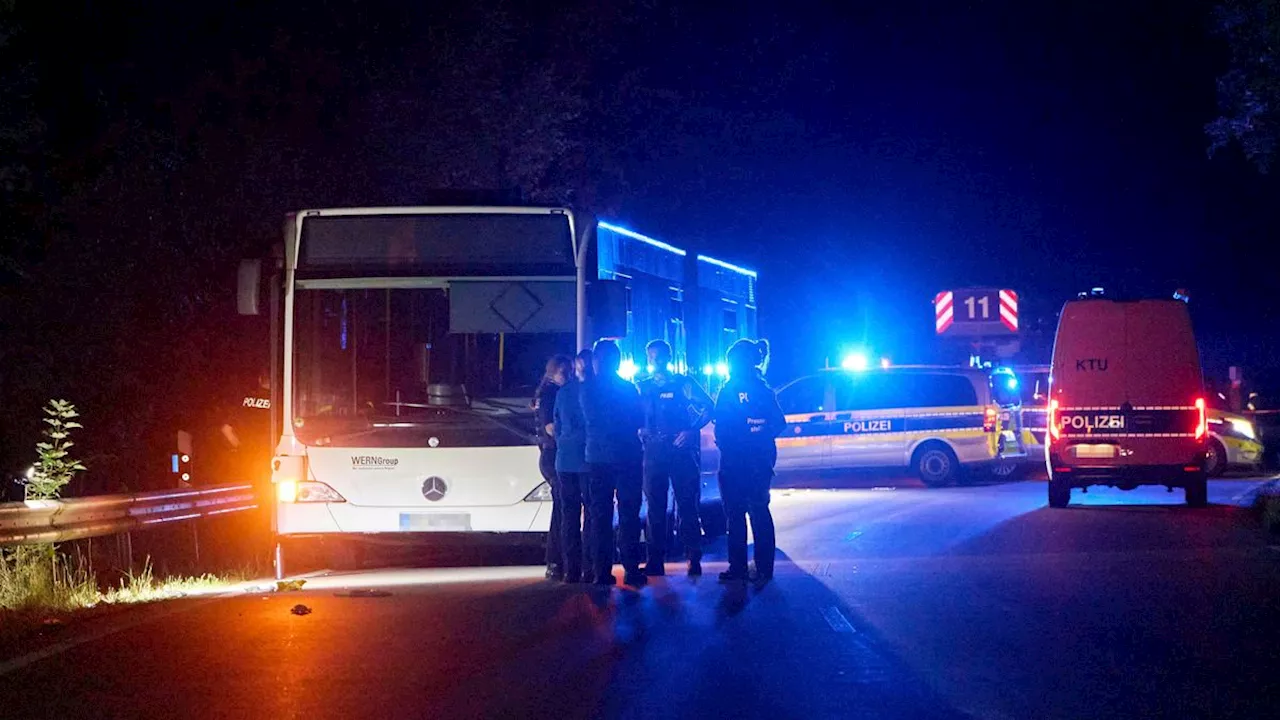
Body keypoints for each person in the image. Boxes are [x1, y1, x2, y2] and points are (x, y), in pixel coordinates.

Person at [637, 340, 714, 577]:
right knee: (655, 507)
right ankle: (655, 560)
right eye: (652, 357)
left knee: (687, 505)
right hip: (654, 452)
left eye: (660, 357)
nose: (656, 362)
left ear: (668, 358)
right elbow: (631, 415)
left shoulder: (684, 384)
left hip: (680, 450)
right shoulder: (642, 386)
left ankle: (693, 557)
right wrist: (638, 429)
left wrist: (691, 430)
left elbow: (708, 406)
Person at [714, 339, 786, 590]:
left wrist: (736, 441)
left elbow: (720, 425)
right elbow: (778, 423)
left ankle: (739, 568)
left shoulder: (729, 389)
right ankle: (764, 568)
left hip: (736, 462)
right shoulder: (764, 390)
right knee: (759, 511)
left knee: (735, 514)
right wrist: (759, 434)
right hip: (759, 461)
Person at [580, 339, 646, 587]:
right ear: (617, 361)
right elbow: (639, 419)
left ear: (597, 361)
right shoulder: (628, 389)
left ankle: (601, 572)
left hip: (597, 458)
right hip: (627, 455)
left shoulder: (586, 389)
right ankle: (631, 569)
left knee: (599, 516)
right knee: (629, 514)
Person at [554, 349, 594, 583]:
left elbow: (557, 425)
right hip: (589, 460)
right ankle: (590, 567)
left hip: (564, 460)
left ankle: (571, 569)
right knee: (592, 514)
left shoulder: (563, 392)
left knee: (568, 515)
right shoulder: (594, 392)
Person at [533, 355, 572, 580]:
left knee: (562, 508)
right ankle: (555, 560)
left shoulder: (546, 392)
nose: (566, 377)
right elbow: (551, 428)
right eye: (563, 372)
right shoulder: (550, 394)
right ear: (553, 372)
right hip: (554, 456)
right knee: (562, 509)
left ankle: (557, 561)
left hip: (552, 456)